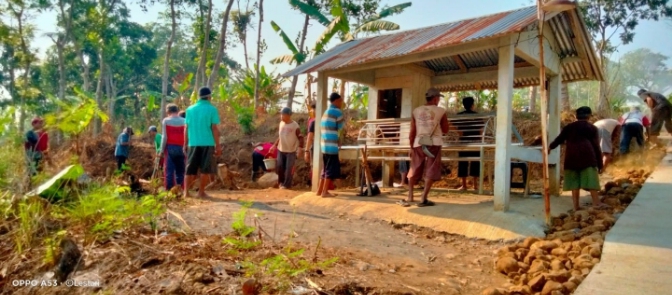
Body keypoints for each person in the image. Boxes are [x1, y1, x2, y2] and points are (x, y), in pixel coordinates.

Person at [549, 106, 609, 211]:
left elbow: (559, 139)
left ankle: (576, 206)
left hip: (571, 158)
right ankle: (596, 203)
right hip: (588, 157)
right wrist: (600, 164)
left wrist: (550, 147)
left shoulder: (569, 127)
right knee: (591, 181)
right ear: (589, 116)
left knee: (574, 182)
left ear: (576, 116)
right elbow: (596, 147)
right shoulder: (592, 128)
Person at [398, 88, 449, 207]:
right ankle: (423, 198)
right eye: (439, 98)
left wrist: (411, 146)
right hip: (434, 144)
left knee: (414, 168)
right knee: (431, 168)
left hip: (418, 143)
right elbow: (446, 130)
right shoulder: (441, 111)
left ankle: (410, 196)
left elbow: (412, 131)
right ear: (436, 98)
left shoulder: (416, 111)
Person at [184, 86, 221, 198]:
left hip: (193, 143)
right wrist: (218, 145)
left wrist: (184, 143)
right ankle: (201, 192)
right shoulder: (212, 109)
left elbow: (186, 127)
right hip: (207, 143)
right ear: (209, 97)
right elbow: (214, 128)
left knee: (190, 168)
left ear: (199, 97)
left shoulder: (190, 109)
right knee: (205, 169)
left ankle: (186, 192)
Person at [316, 92, 345, 198]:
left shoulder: (326, 112)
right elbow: (341, 129)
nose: (341, 103)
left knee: (325, 167)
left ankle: (319, 190)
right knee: (330, 168)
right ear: (336, 101)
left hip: (324, 144)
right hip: (332, 144)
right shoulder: (337, 112)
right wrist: (339, 140)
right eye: (340, 101)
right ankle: (324, 192)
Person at [269, 107, 304, 189]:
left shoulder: (295, 125)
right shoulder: (281, 124)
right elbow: (280, 137)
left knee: (289, 168)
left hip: (291, 150)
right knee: (280, 167)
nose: (281, 116)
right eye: (281, 114)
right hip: (281, 149)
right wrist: (274, 145)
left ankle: (287, 185)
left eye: (283, 115)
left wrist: (300, 148)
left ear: (288, 115)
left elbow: (301, 137)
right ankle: (281, 183)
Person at [456, 96, 482, 191]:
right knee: (475, 162)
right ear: (472, 105)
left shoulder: (459, 115)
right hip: (475, 141)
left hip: (463, 141)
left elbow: (455, 127)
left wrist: (460, 133)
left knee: (463, 162)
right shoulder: (477, 116)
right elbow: (480, 130)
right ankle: (475, 185)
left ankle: (464, 185)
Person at [158, 104, 186, 191]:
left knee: (169, 170)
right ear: (177, 111)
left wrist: (161, 150)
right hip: (182, 147)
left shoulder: (166, 120)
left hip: (170, 147)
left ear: (168, 112)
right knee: (180, 171)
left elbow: (164, 137)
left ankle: (169, 190)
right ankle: (180, 189)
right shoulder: (184, 121)